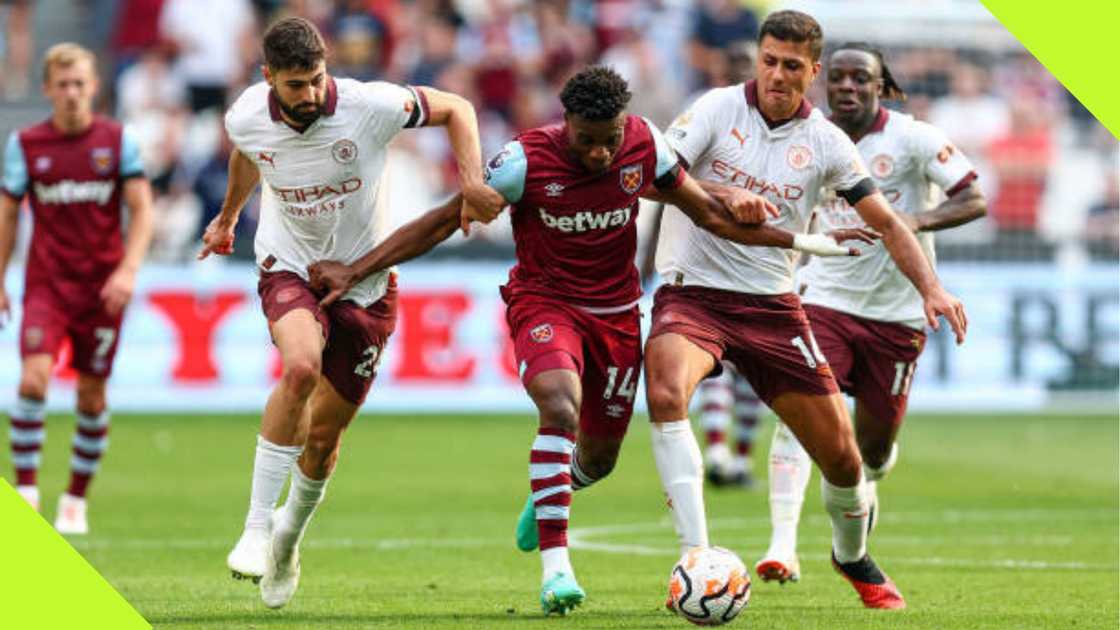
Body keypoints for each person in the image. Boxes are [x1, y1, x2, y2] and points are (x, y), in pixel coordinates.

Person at [304, 65, 862, 616]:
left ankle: (556, 485)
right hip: (545, 303)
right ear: (565, 122)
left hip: (617, 315)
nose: (600, 154)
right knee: (559, 405)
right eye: (588, 142)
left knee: (598, 458)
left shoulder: (645, 145)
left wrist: (807, 242)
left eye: (609, 141)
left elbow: (711, 215)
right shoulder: (523, 161)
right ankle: (557, 570)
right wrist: (356, 270)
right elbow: (445, 219)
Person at [645, 11, 968, 610]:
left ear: (811, 72)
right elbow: (654, 174)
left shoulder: (826, 142)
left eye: (792, 66)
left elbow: (887, 222)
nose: (776, 74)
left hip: (773, 306)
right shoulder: (716, 109)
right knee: (665, 395)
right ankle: (697, 555)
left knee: (846, 461)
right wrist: (722, 193)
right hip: (694, 292)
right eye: (769, 61)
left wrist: (931, 287)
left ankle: (851, 556)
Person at [201, 16, 504, 609]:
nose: (310, 94)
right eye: (295, 85)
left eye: (315, 79)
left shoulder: (370, 106)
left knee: (323, 440)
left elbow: (458, 109)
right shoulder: (245, 113)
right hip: (289, 263)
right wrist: (231, 215)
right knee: (300, 367)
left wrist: (470, 182)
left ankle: (288, 540)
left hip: (366, 284)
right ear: (269, 79)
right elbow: (248, 152)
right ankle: (258, 526)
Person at [759, 42, 987, 584]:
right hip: (823, 298)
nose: (848, 87)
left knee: (872, 452)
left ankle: (870, 481)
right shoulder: (807, 137)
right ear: (823, 82)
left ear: (881, 85)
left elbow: (974, 198)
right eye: (837, 77)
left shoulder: (913, 138)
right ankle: (781, 546)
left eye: (860, 78)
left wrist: (916, 222)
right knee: (799, 415)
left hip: (898, 312)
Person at [0, 43, 153, 533]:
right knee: (33, 381)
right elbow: (7, 213)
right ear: (47, 89)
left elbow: (143, 209)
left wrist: (128, 270)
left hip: (101, 289)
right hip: (46, 284)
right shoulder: (25, 144)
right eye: (62, 85)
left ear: (94, 88)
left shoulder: (117, 141)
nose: (71, 93)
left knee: (91, 396)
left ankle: (74, 500)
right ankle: (25, 492)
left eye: (79, 84)